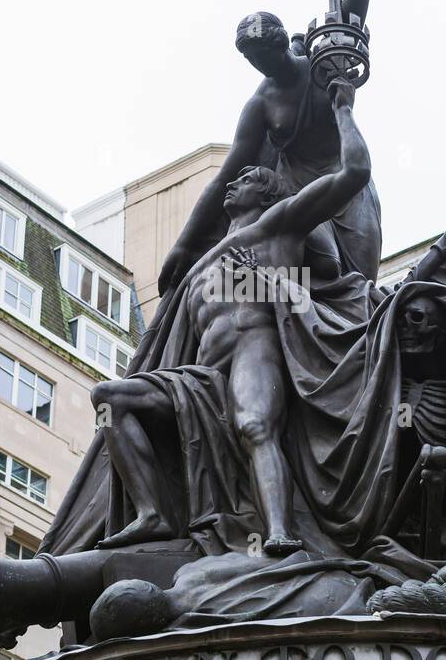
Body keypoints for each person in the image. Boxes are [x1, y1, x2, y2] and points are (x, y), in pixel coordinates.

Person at [92, 78, 370, 556]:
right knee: (110, 399)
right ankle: (152, 514)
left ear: (264, 194)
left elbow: (353, 174)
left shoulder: (277, 224)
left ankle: (280, 532)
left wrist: (343, 111)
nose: (232, 183)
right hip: (200, 376)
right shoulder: (203, 262)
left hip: (253, 351)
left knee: (255, 427)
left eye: (242, 180)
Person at [156, 0, 379, 296]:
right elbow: (227, 175)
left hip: (347, 184)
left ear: (279, 46)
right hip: (294, 196)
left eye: (266, 56)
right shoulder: (261, 104)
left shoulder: (322, 61)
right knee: (287, 287)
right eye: (253, 60)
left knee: (357, 287)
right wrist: (186, 244)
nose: (261, 66)